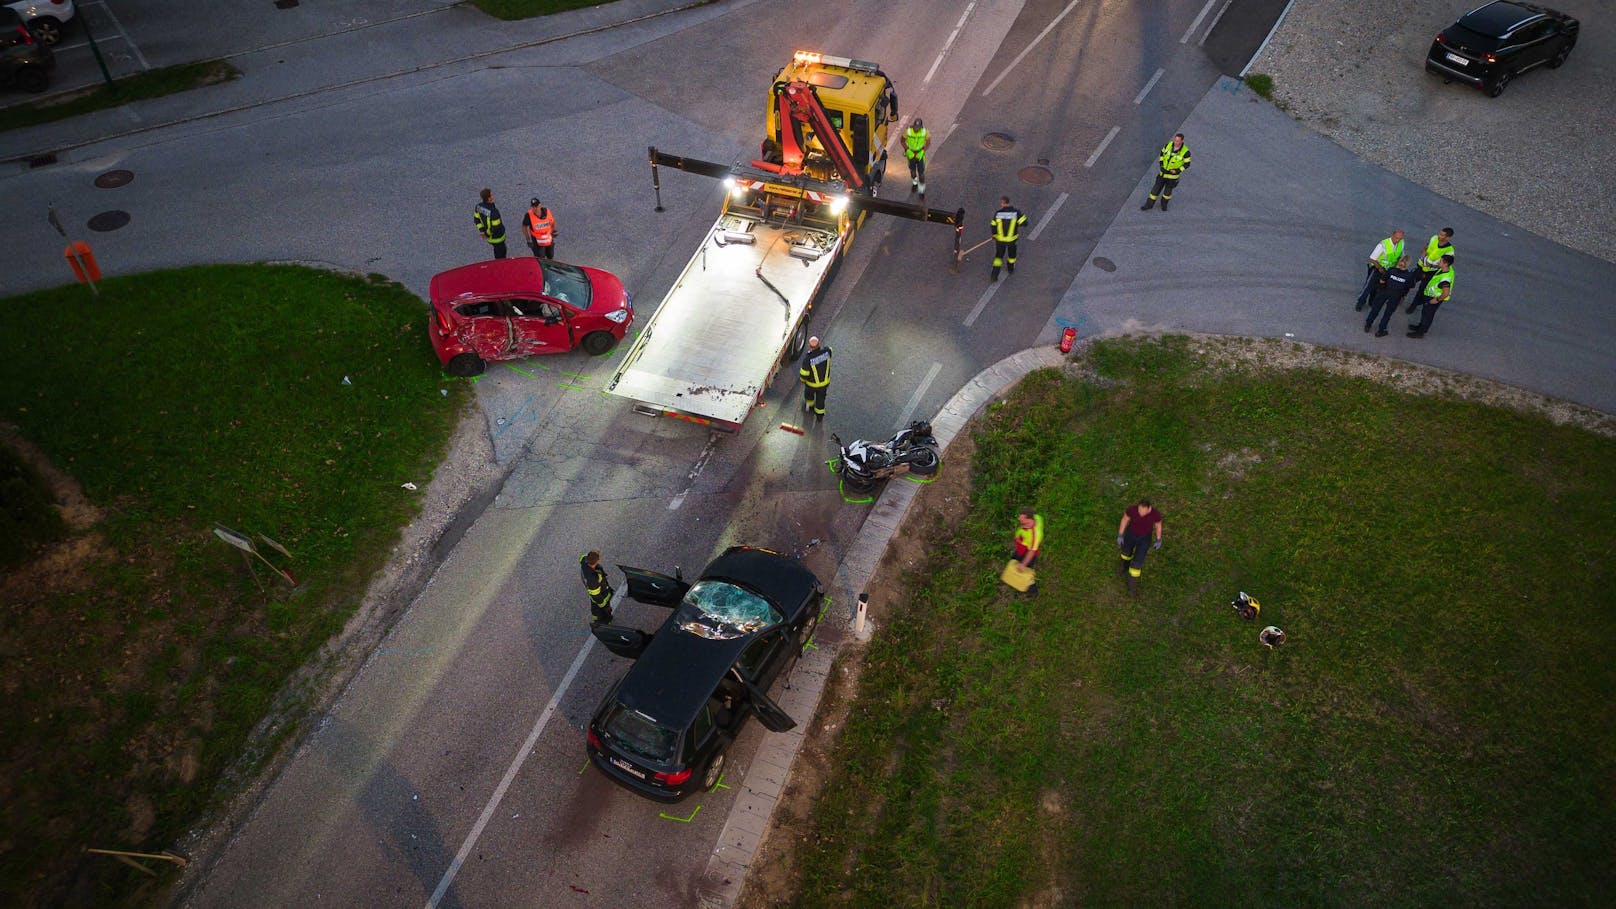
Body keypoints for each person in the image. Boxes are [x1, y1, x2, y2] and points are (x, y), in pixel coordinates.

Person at [1116, 498, 1163, 595]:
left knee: (1137, 565)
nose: (1141, 514)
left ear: (1149, 508)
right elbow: (1125, 519)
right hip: (1131, 534)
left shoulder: (1155, 514)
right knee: (1125, 554)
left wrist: (1159, 539)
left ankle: (1131, 587)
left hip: (1144, 539)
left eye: (1143, 512)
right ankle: (1124, 567)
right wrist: (1120, 534)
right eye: (1139, 511)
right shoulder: (1132, 509)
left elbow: (1158, 525)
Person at [1363, 255, 1417, 337]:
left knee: (1376, 309)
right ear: (1408, 264)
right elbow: (1412, 286)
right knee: (1388, 313)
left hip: (1384, 291)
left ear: (1399, 262)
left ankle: (1368, 325)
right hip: (1396, 296)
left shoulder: (1391, 270)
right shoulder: (1409, 275)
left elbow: (1382, 280)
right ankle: (1380, 330)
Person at [1355, 229, 1405, 310]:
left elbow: (1401, 255)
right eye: (1396, 238)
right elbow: (1372, 259)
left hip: (1388, 270)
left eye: (1400, 238)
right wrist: (1380, 268)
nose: (1398, 240)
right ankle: (1360, 302)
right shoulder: (1383, 245)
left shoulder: (1401, 243)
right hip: (1377, 269)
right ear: (1392, 235)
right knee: (1368, 287)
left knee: (1378, 288)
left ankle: (1371, 302)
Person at [1140, 133, 1191, 211]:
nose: (1175, 142)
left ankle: (1164, 204)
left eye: (1178, 141)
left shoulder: (1186, 152)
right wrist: (1161, 165)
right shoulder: (1168, 145)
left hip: (1172, 177)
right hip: (1163, 173)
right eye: (1175, 140)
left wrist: (1177, 171)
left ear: (1182, 141)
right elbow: (1162, 154)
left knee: (1167, 193)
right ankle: (1148, 205)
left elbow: (1187, 164)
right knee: (1155, 190)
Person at [1410, 227, 1456, 311]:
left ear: (1448, 237)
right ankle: (1402, 295)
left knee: (1421, 290)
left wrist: (1430, 265)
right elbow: (1427, 246)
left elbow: (1446, 264)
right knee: (1409, 281)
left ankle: (1413, 306)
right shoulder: (1434, 238)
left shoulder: (1449, 250)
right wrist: (1423, 252)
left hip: (1431, 273)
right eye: (1439, 233)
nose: (1439, 236)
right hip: (1421, 266)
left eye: (1442, 235)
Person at [1407, 258, 1454, 338]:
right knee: (1425, 313)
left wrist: (1436, 300)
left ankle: (1420, 333)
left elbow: (1445, 293)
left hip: (1434, 298)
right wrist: (1431, 265)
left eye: (1440, 261)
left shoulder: (1445, 279)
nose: (1438, 262)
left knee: (1427, 315)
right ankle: (1421, 327)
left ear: (1446, 264)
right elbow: (1438, 267)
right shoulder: (1447, 269)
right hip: (1430, 296)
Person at [989, 196, 1028, 281]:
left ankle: (994, 276)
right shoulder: (1016, 213)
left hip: (1000, 241)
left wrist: (994, 235)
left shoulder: (998, 213)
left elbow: (993, 225)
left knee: (998, 258)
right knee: (1012, 256)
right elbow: (1025, 223)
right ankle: (1010, 269)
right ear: (1008, 202)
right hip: (1012, 241)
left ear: (1002, 203)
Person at [798, 336, 832, 422]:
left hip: (811, 385)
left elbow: (804, 374)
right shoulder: (827, 352)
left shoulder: (808, 359)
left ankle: (809, 407)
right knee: (821, 399)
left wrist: (802, 380)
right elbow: (830, 349)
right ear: (819, 344)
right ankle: (819, 416)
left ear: (809, 346)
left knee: (809, 395)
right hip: (824, 384)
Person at [1012, 509, 1044, 597]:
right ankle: (1017, 581)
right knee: (1014, 561)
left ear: (1031, 520)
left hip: (1026, 553)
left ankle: (1033, 591)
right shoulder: (1037, 518)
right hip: (1022, 547)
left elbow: (1031, 552)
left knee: (1025, 571)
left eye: (1024, 523)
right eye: (1021, 522)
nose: (1022, 525)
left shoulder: (1035, 536)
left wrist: (1023, 564)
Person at [580, 550, 614, 626]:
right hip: (601, 597)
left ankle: (597, 621)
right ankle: (605, 624)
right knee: (602, 612)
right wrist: (604, 606)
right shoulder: (593, 579)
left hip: (595, 596)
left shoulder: (584, 562)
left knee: (595, 612)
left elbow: (582, 557)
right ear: (597, 561)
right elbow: (596, 596)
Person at [474, 188, 507, 259]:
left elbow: (477, 220)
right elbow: (496, 227)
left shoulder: (478, 207)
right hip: (498, 238)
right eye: (491, 195)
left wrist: (482, 231)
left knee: (497, 250)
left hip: (489, 238)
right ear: (489, 198)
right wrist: (486, 234)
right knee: (501, 255)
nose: (493, 196)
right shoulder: (494, 212)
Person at [903, 117, 930, 194]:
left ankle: (921, 190)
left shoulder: (925, 132)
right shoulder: (908, 131)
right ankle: (914, 183)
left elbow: (928, 143)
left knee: (921, 173)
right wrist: (907, 150)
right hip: (911, 154)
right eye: (915, 127)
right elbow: (902, 141)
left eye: (918, 127)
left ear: (921, 127)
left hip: (920, 154)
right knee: (912, 171)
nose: (916, 129)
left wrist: (923, 151)